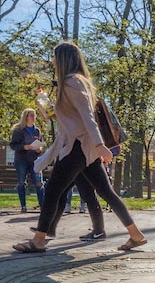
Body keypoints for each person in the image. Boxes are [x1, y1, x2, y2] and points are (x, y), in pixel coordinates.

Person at [14, 42, 146, 252]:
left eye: (55, 57)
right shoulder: (76, 82)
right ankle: (136, 235)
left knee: (52, 191)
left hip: (77, 147)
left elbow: (87, 117)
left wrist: (101, 145)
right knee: (107, 192)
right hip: (84, 149)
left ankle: (38, 240)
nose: (52, 60)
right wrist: (47, 108)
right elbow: (71, 116)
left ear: (64, 59)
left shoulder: (72, 82)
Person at [9, 108, 46, 213]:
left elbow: (41, 145)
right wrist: (24, 147)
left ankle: (43, 206)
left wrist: (39, 150)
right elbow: (13, 145)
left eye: (35, 115)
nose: (34, 117)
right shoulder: (19, 130)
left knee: (39, 183)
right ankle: (23, 206)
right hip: (22, 160)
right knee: (21, 183)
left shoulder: (37, 131)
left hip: (35, 160)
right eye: (31, 115)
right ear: (26, 117)